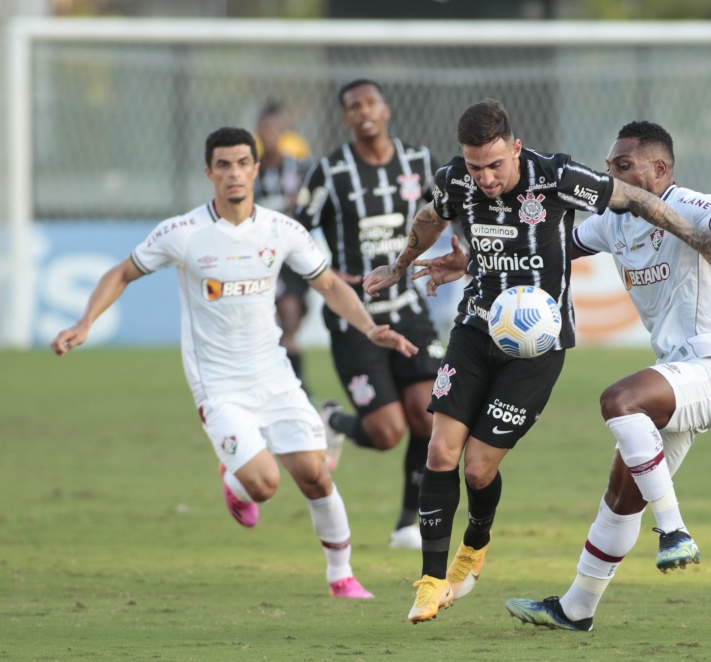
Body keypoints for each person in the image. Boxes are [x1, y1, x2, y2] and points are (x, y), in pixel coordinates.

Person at [362, 101, 711, 624]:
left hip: (692, 361)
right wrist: (438, 261)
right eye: (474, 166)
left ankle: (671, 531)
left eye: (495, 165)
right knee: (615, 494)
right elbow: (541, 241)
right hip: (511, 336)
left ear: (516, 149)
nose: (484, 177)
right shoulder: (473, 186)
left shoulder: (619, 187)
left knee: (581, 419)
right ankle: (562, 606)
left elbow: (678, 209)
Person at [51, 127, 418, 599]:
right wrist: (84, 324)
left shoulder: (281, 230)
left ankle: (340, 576)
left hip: (275, 375)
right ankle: (237, 481)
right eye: (223, 165)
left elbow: (328, 284)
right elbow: (123, 272)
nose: (234, 173)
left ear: (255, 168)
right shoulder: (183, 233)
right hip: (219, 384)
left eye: (243, 162)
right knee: (264, 485)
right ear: (209, 173)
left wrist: (369, 328)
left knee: (315, 474)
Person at [499, 120, 711, 631]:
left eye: (623, 167)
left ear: (660, 169)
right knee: (622, 492)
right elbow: (551, 244)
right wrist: (467, 259)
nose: (613, 176)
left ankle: (674, 531)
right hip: (676, 375)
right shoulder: (615, 219)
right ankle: (575, 609)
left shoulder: (689, 203)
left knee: (619, 399)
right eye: (609, 167)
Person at [294, 79, 443, 550]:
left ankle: (407, 523)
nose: (364, 112)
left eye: (370, 103)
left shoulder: (419, 162)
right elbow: (293, 234)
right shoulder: (330, 172)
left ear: (386, 108)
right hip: (354, 317)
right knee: (386, 433)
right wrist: (325, 275)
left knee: (430, 415)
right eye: (353, 107)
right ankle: (334, 421)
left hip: (409, 308)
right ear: (345, 118)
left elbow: (453, 210)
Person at [254, 101, 316, 393]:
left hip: (291, 257)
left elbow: (316, 203)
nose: (269, 135)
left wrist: (300, 205)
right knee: (270, 323)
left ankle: (295, 386)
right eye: (264, 129)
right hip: (258, 256)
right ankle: (286, 386)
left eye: (274, 129)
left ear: (283, 132)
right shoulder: (249, 171)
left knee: (290, 316)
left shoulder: (300, 169)